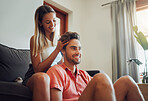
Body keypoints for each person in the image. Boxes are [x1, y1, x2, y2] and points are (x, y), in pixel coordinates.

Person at [46, 32, 144, 101]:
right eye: (73, 48)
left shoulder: (83, 75)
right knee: (100, 77)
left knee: (126, 80)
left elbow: (102, 90)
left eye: (79, 49)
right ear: (63, 51)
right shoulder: (56, 70)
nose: (78, 52)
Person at [22, 5, 68, 101]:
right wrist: (57, 50)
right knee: (43, 78)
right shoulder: (35, 40)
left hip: (53, 74)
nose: (52, 24)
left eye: (54, 20)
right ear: (40, 23)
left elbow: (61, 65)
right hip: (37, 75)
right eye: (48, 22)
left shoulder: (58, 40)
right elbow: (38, 69)